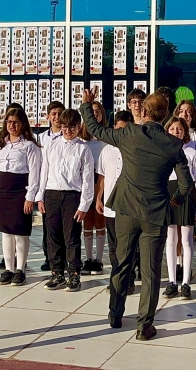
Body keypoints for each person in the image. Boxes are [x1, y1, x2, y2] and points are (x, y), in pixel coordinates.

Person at [81, 89, 193, 341]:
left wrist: (87, 105)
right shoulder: (173, 144)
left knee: (121, 263)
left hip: (126, 209)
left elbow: (95, 129)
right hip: (155, 212)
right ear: (166, 115)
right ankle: (144, 326)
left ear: (143, 111)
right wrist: (175, 200)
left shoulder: (129, 133)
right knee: (150, 271)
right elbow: (186, 184)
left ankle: (115, 314)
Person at [37, 108, 95, 292]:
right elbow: (43, 172)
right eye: (64, 127)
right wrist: (40, 197)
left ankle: (74, 273)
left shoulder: (83, 149)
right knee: (52, 236)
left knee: (71, 236)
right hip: (52, 194)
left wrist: (84, 205)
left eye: (72, 127)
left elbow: (87, 180)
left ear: (78, 127)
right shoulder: (51, 146)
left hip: (72, 196)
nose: (68, 131)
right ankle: (57, 273)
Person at [0, 107, 42, 287]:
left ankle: (20, 269)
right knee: (6, 231)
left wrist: (30, 197)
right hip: (3, 191)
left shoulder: (30, 146)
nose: (12, 126)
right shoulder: (0, 144)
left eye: (16, 122)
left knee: (20, 232)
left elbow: (35, 173)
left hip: (20, 191)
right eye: (9, 122)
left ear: (23, 124)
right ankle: (9, 269)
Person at [162, 117, 196, 300]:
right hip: (168, 194)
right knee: (170, 239)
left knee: (186, 240)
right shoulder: (163, 151)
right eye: (172, 129)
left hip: (186, 194)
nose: (176, 132)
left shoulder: (191, 152)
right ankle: (172, 281)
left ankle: (186, 282)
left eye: (179, 129)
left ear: (185, 132)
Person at [96, 110, 133, 293]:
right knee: (113, 246)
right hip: (110, 205)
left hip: (129, 206)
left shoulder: (134, 149)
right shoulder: (106, 150)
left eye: (124, 129)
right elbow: (102, 176)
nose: (120, 133)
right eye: (118, 129)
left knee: (128, 245)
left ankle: (128, 280)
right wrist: (98, 197)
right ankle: (116, 279)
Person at [37, 100, 66, 273]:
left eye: (60, 114)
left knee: (64, 227)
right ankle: (49, 257)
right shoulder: (41, 138)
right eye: (53, 114)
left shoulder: (67, 136)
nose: (57, 117)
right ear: (48, 116)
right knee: (48, 226)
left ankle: (64, 258)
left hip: (63, 185)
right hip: (46, 185)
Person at [82, 101, 109, 276]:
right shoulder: (82, 140)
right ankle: (89, 258)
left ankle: (98, 260)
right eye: (92, 112)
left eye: (98, 111)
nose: (95, 114)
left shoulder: (106, 138)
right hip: (86, 182)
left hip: (102, 182)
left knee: (100, 221)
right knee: (87, 221)